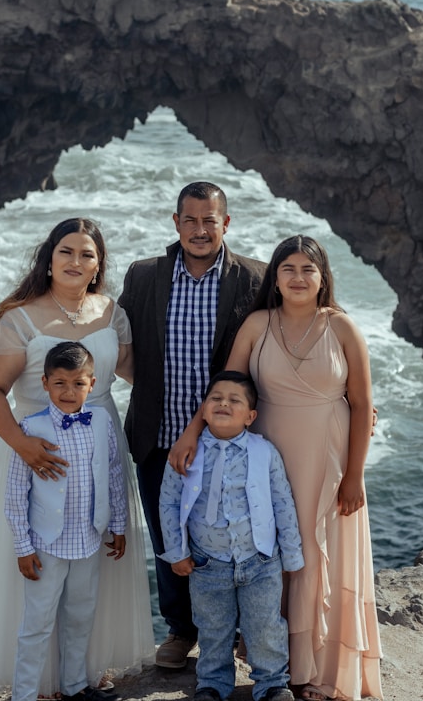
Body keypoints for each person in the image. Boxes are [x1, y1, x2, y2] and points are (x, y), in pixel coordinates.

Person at [0, 218, 155, 695]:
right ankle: (33, 682)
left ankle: (81, 674)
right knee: (38, 570)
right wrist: (23, 446)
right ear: (49, 259)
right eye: (66, 251)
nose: (76, 261)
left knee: (89, 582)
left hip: (99, 442)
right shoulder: (19, 318)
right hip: (34, 448)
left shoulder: (112, 314)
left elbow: (137, 373)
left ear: (98, 265)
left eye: (87, 254)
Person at [170, 235, 383, 701]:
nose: (298, 277)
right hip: (264, 457)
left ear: (322, 277)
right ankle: (279, 670)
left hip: (327, 458)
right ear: (275, 277)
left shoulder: (342, 327)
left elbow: (363, 403)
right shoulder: (257, 324)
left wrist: (354, 476)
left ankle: (320, 672)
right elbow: (226, 388)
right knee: (274, 553)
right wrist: (191, 433)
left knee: (317, 551)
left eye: (308, 269)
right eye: (288, 268)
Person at [118, 181, 267, 668]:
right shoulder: (144, 275)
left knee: (233, 536)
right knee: (169, 538)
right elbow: (113, 335)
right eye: (190, 220)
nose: (200, 230)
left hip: (228, 439)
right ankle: (181, 631)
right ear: (176, 222)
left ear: (226, 223)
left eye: (210, 220)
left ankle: (239, 632)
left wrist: (354, 395)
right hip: (158, 434)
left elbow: (312, 314)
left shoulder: (255, 278)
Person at [159, 371, 304, 701]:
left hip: (260, 561)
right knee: (213, 627)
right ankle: (212, 684)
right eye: (216, 398)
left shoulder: (264, 452)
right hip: (207, 562)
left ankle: (272, 684)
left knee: (265, 626)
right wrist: (177, 552)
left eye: (234, 400)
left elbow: (282, 501)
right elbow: (169, 502)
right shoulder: (186, 452)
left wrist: (291, 554)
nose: (223, 403)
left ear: (250, 416)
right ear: (204, 409)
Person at [6, 341, 126, 701]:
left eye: (78, 383)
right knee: (37, 623)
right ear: (45, 383)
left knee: (80, 616)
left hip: (88, 538)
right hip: (46, 543)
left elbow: (114, 473)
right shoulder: (32, 428)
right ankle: (24, 695)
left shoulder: (102, 421)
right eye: (59, 383)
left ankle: (74, 687)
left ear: (92, 384)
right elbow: (16, 492)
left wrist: (118, 524)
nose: (69, 392)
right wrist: (23, 546)